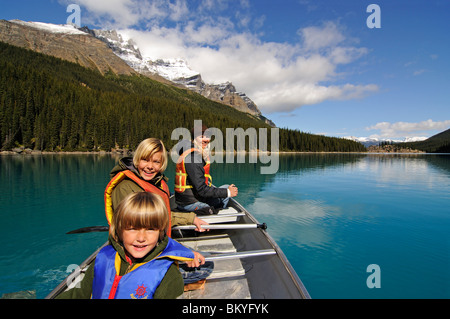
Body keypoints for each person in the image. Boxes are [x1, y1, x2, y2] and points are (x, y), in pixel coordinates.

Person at [104, 138, 213, 282]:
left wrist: (191, 218)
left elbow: (162, 216)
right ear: (137, 160)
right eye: (145, 160)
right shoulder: (125, 188)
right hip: (138, 258)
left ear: (162, 164)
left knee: (206, 259)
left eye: (156, 162)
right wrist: (179, 252)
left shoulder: (156, 183)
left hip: (156, 247)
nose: (150, 166)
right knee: (206, 266)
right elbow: (138, 237)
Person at [56, 192, 194, 299]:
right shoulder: (103, 258)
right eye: (132, 229)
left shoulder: (168, 276)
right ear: (120, 230)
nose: (141, 238)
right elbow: (80, 294)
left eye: (151, 229)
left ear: (160, 231)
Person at [175, 124, 238, 212]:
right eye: (201, 137)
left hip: (196, 198)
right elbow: (201, 189)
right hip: (189, 203)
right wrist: (227, 192)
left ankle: (219, 212)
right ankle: (218, 215)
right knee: (225, 193)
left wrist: (226, 191)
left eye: (207, 136)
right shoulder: (193, 157)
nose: (206, 139)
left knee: (227, 187)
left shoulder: (196, 154)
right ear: (194, 139)